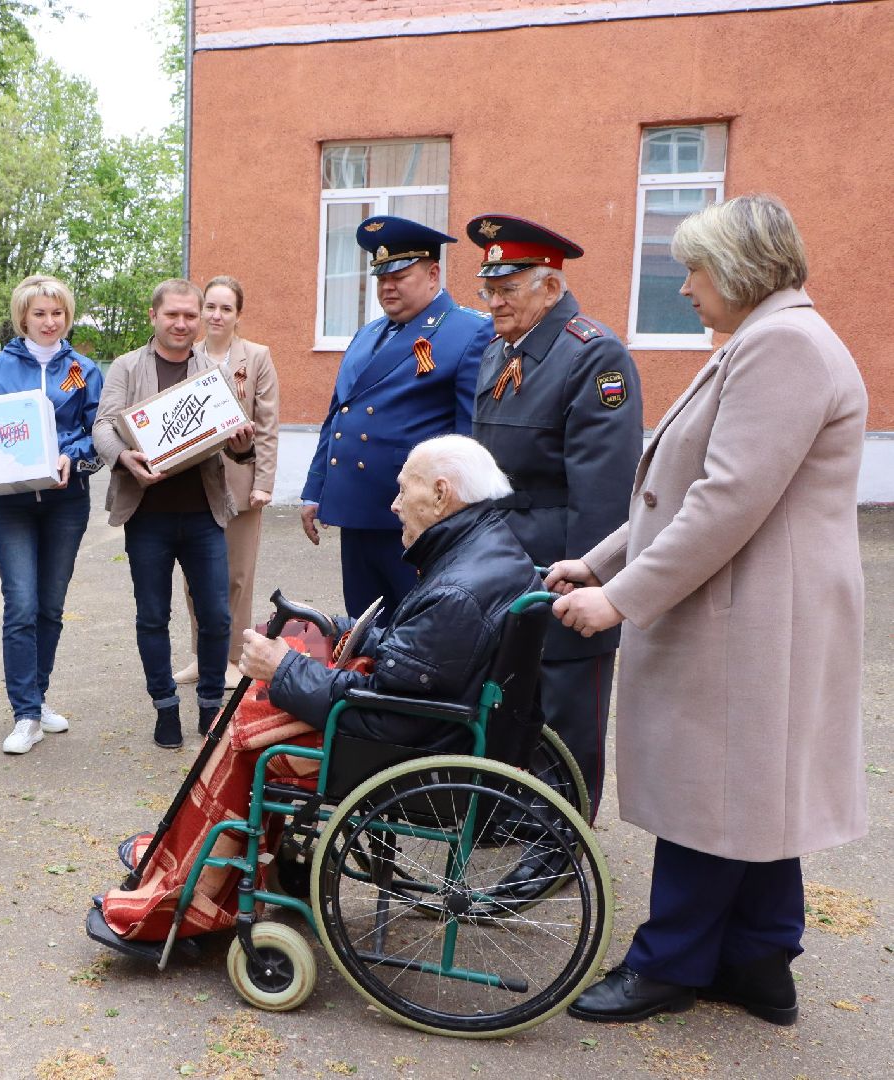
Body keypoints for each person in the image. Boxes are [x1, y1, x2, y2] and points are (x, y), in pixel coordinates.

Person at [555, 195, 867, 1026]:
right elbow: (682, 490)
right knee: (753, 792)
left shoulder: (783, 346)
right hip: (751, 608)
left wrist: (616, 598)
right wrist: (595, 559)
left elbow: (724, 501)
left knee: (714, 790)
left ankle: (668, 966)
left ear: (735, 269)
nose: (684, 286)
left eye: (692, 269)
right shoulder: (768, 339)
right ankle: (758, 960)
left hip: (753, 616)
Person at [98, 435, 537, 942]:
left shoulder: (457, 590)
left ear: (441, 494)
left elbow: (386, 708)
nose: (393, 505)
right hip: (448, 733)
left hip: (403, 750)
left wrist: (280, 669)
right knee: (266, 693)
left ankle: (194, 886)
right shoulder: (488, 550)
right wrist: (336, 626)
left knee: (242, 726)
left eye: (403, 490)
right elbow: (414, 655)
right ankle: (207, 855)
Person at [466, 213, 642, 896]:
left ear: (548, 283)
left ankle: (559, 840)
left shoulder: (592, 356)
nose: (493, 301)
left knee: (567, 715)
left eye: (505, 287)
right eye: (488, 289)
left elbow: (601, 497)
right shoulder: (501, 350)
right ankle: (513, 817)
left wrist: (586, 586)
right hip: (504, 567)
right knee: (511, 702)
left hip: (563, 574)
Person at [299, 216, 494, 618]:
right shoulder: (368, 334)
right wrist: (315, 488)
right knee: (363, 628)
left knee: (414, 630)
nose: (388, 286)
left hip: (417, 518)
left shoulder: (468, 331)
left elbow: (470, 437)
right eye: (381, 277)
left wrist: (459, 518)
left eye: (401, 274)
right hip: (357, 511)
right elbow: (338, 415)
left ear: (433, 273)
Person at [93, 278, 253, 751]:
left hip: (203, 513)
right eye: (173, 315)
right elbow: (104, 424)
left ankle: (209, 707)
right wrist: (124, 458)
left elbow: (234, 438)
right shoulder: (125, 367)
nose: (182, 324)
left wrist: (242, 448)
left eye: (190, 315)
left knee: (217, 617)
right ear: (154, 317)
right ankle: (164, 706)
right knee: (152, 617)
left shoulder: (213, 372)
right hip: (148, 516)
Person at [0, 275, 103, 755]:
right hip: (9, 504)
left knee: (50, 606)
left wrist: (74, 455)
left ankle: (37, 698)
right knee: (20, 603)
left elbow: (98, 433)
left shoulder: (83, 370)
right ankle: (24, 714)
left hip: (66, 502)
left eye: (58, 312)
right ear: (23, 317)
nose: (49, 321)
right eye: (40, 313)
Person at [172, 275, 279, 690]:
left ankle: (234, 657)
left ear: (238, 314)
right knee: (195, 578)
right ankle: (203, 656)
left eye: (225, 308)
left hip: (241, 483)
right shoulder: (186, 355)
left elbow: (267, 425)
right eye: (210, 307)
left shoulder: (256, 357)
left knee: (236, 576)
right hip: (193, 485)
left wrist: (263, 481)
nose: (216, 316)